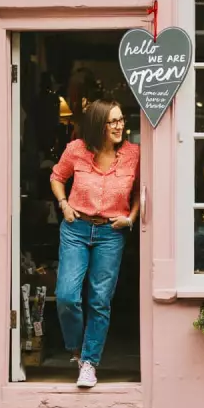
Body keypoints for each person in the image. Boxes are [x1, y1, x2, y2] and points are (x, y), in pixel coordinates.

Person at [50, 99, 139, 388]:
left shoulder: (133, 154)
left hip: (111, 232)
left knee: (100, 300)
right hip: (76, 228)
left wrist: (131, 218)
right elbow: (57, 177)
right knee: (67, 296)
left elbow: (142, 190)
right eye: (113, 121)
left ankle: (89, 362)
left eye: (121, 120)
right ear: (99, 124)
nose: (119, 126)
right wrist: (64, 204)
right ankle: (76, 349)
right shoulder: (76, 150)